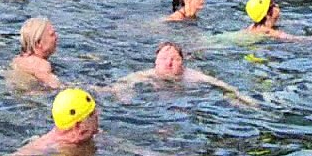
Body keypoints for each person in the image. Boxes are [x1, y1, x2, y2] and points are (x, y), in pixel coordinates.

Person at [105, 43, 256, 106]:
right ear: (155, 62)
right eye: (164, 59)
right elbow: (119, 85)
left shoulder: (192, 76)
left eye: (174, 59)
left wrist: (241, 98)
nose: (168, 63)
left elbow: (222, 85)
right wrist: (124, 96)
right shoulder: (147, 75)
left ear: (182, 63)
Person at [11, 88, 100, 156]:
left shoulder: (86, 134)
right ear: (78, 125)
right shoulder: (58, 147)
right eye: (92, 113)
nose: (97, 114)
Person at [9, 17, 63, 89]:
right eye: (52, 34)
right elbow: (56, 86)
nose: (56, 37)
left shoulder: (17, 60)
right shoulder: (42, 65)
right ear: (38, 43)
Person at [243, 0, 309, 41]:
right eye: (274, 4)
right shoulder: (268, 31)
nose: (277, 5)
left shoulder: (252, 27)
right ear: (267, 14)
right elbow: (294, 39)